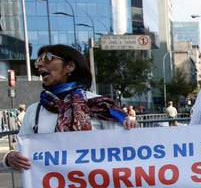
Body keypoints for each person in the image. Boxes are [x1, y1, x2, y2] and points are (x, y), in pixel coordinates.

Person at [3, 44, 135, 172]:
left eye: (48, 58)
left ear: (70, 66)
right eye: (38, 60)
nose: (39, 64)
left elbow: (125, 147)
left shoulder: (100, 105)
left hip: (96, 187)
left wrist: (130, 129)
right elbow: (21, 149)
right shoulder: (34, 110)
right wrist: (10, 157)